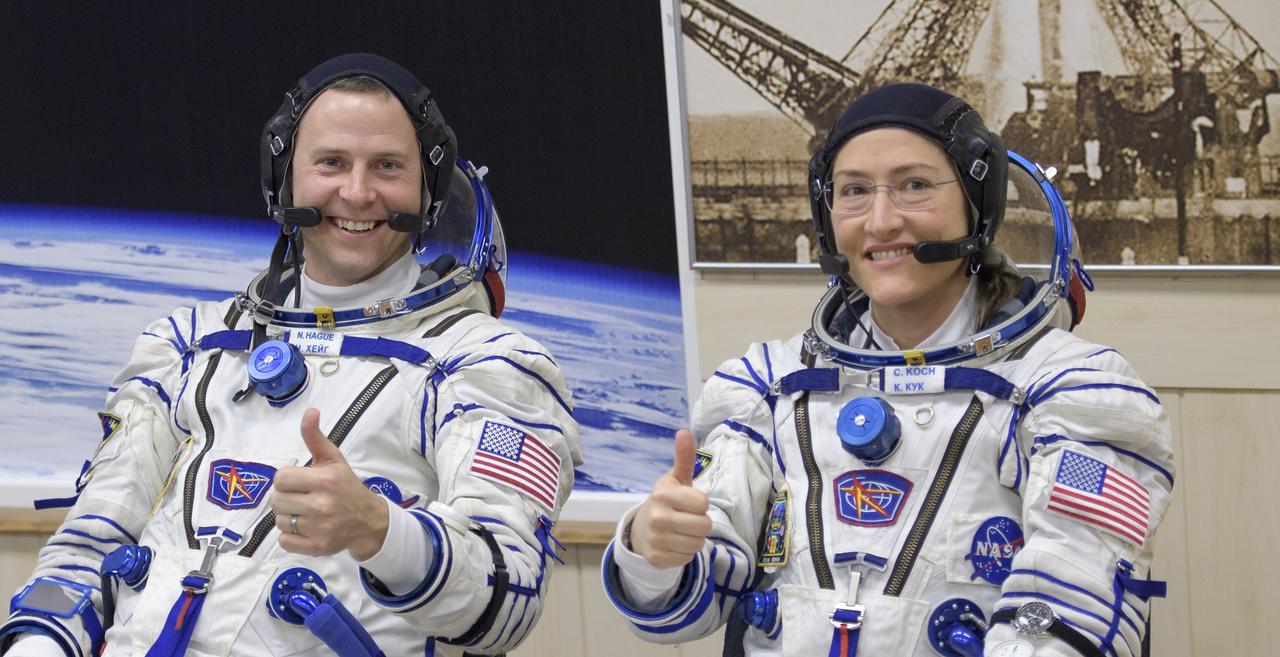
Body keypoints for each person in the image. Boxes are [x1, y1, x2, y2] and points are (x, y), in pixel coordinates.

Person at [0, 53, 581, 657]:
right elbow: (88, 547)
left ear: (425, 188)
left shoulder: (487, 365)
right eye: (331, 163)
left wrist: (384, 533)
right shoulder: (186, 346)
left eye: (387, 166)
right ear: (286, 177)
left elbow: (505, 605)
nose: (357, 193)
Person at [601, 83, 1173, 657]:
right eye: (854, 191)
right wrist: (654, 552)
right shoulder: (764, 388)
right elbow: (681, 612)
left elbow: (1067, 613)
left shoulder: (1072, 391)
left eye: (915, 186)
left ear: (978, 203)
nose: (879, 221)